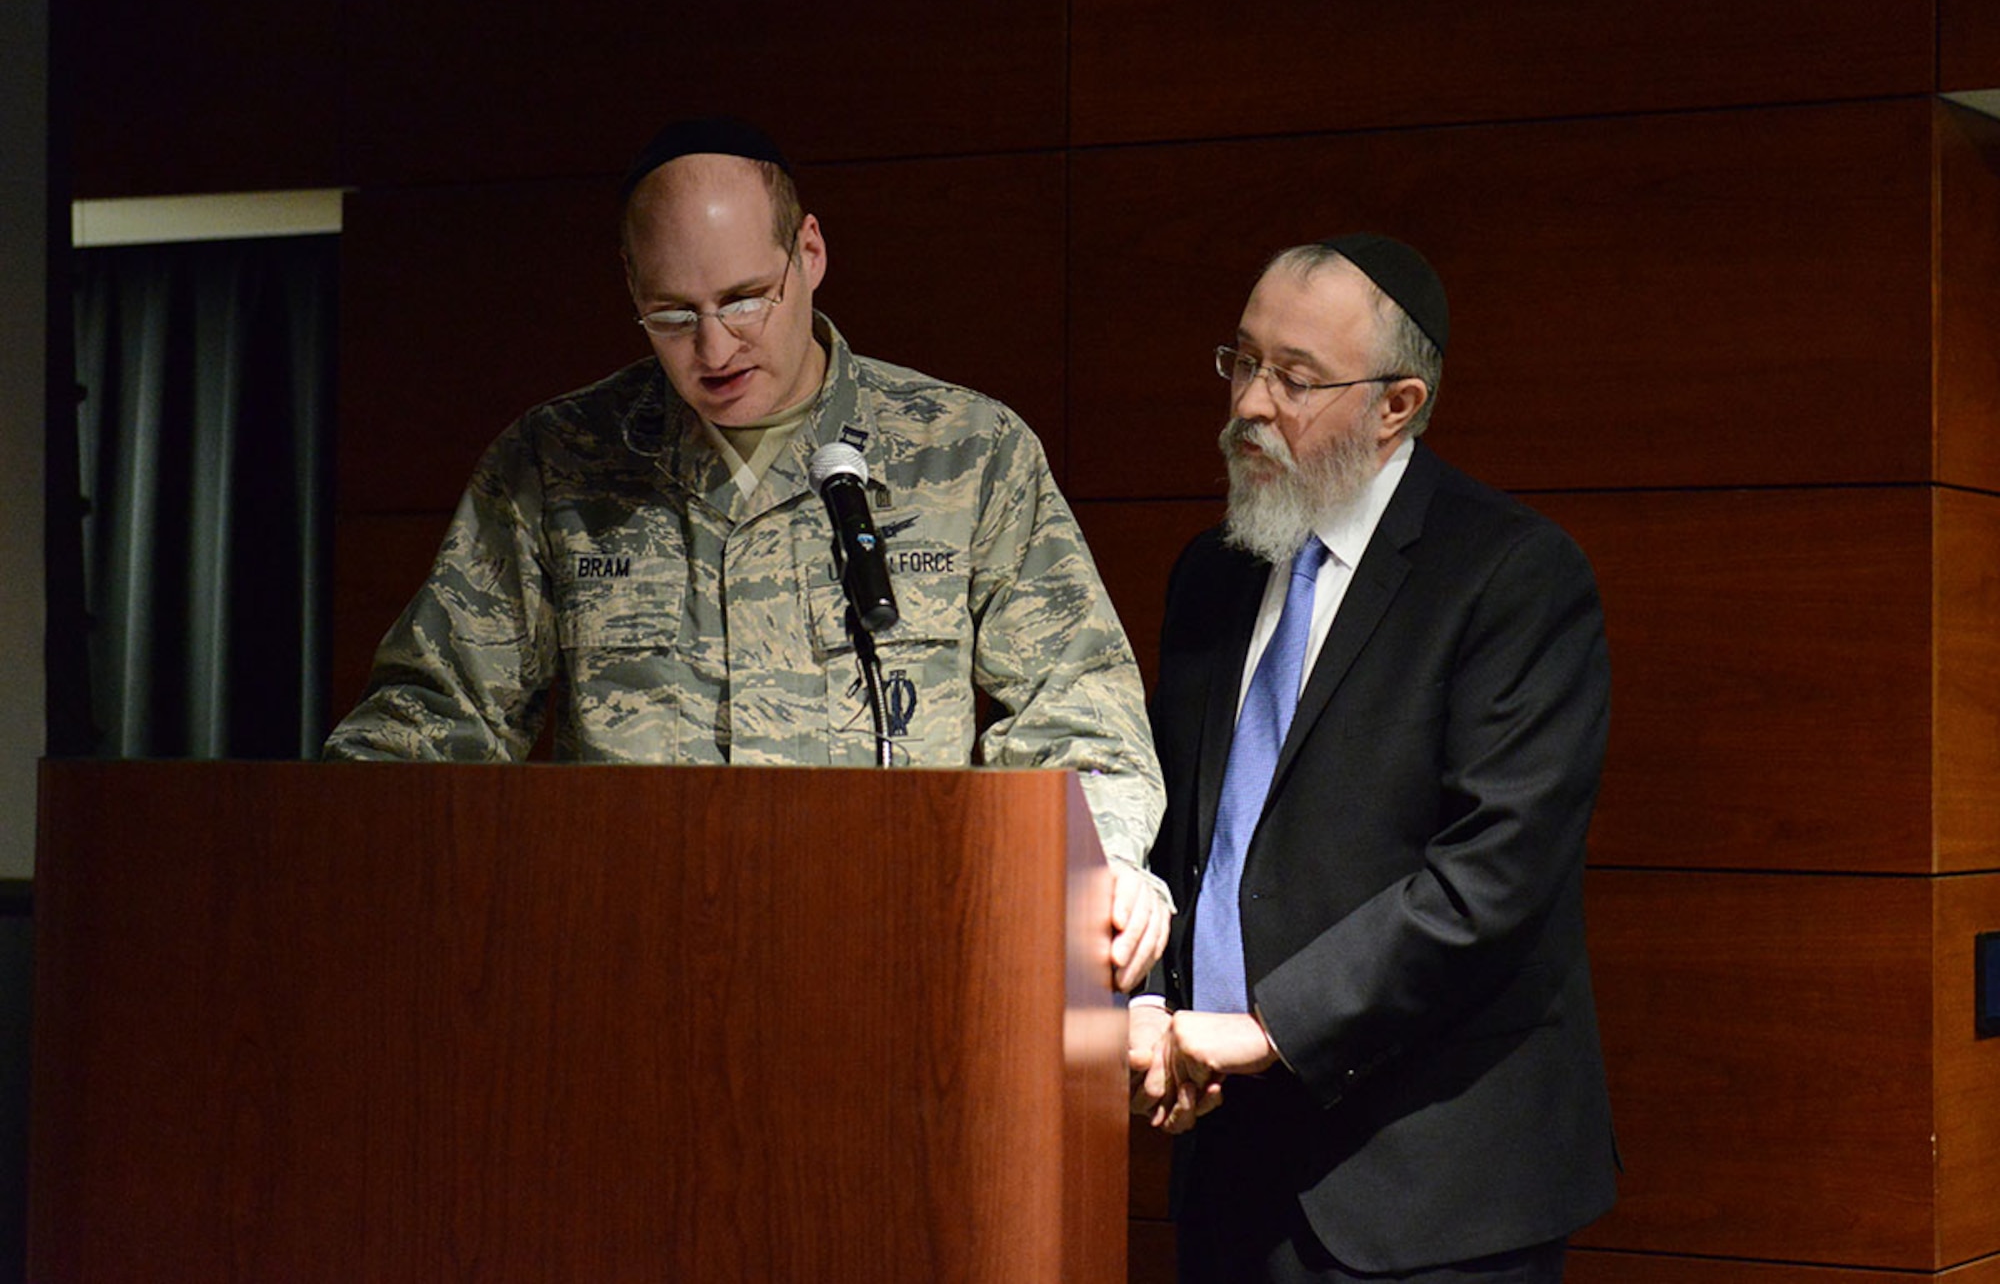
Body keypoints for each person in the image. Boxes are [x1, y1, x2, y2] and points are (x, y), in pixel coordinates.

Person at [323, 118, 1170, 988]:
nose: (715, 347)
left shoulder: (966, 452)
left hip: (894, 966)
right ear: (631, 285)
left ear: (809, 253)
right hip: (621, 973)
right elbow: (434, 718)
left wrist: (1101, 865)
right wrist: (335, 843)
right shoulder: (557, 465)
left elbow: (1080, 713)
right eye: (672, 314)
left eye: (744, 299)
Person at [1129, 234, 1618, 1281]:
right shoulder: (1212, 572)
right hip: (1225, 1162)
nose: (1249, 404)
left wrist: (1268, 1028)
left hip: (1433, 1186)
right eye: (1242, 361)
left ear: (1397, 404)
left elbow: (1492, 877)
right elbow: (1182, 831)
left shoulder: (1511, 576)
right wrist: (1153, 1003)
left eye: (1294, 379)